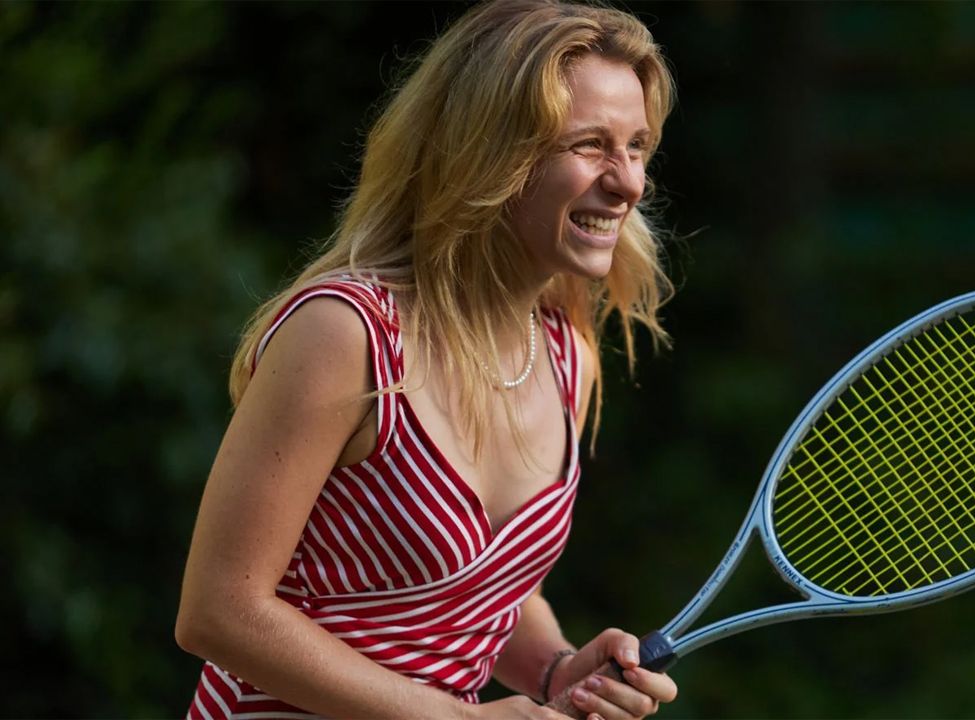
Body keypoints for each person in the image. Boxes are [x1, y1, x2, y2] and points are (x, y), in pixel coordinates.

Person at [174, 1, 680, 717]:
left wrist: (554, 670)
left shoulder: (568, 355)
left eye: (637, 147)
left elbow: (480, 584)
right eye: (590, 145)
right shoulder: (347, 334)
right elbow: (218, 613)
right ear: (490, 152)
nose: (629, 182)